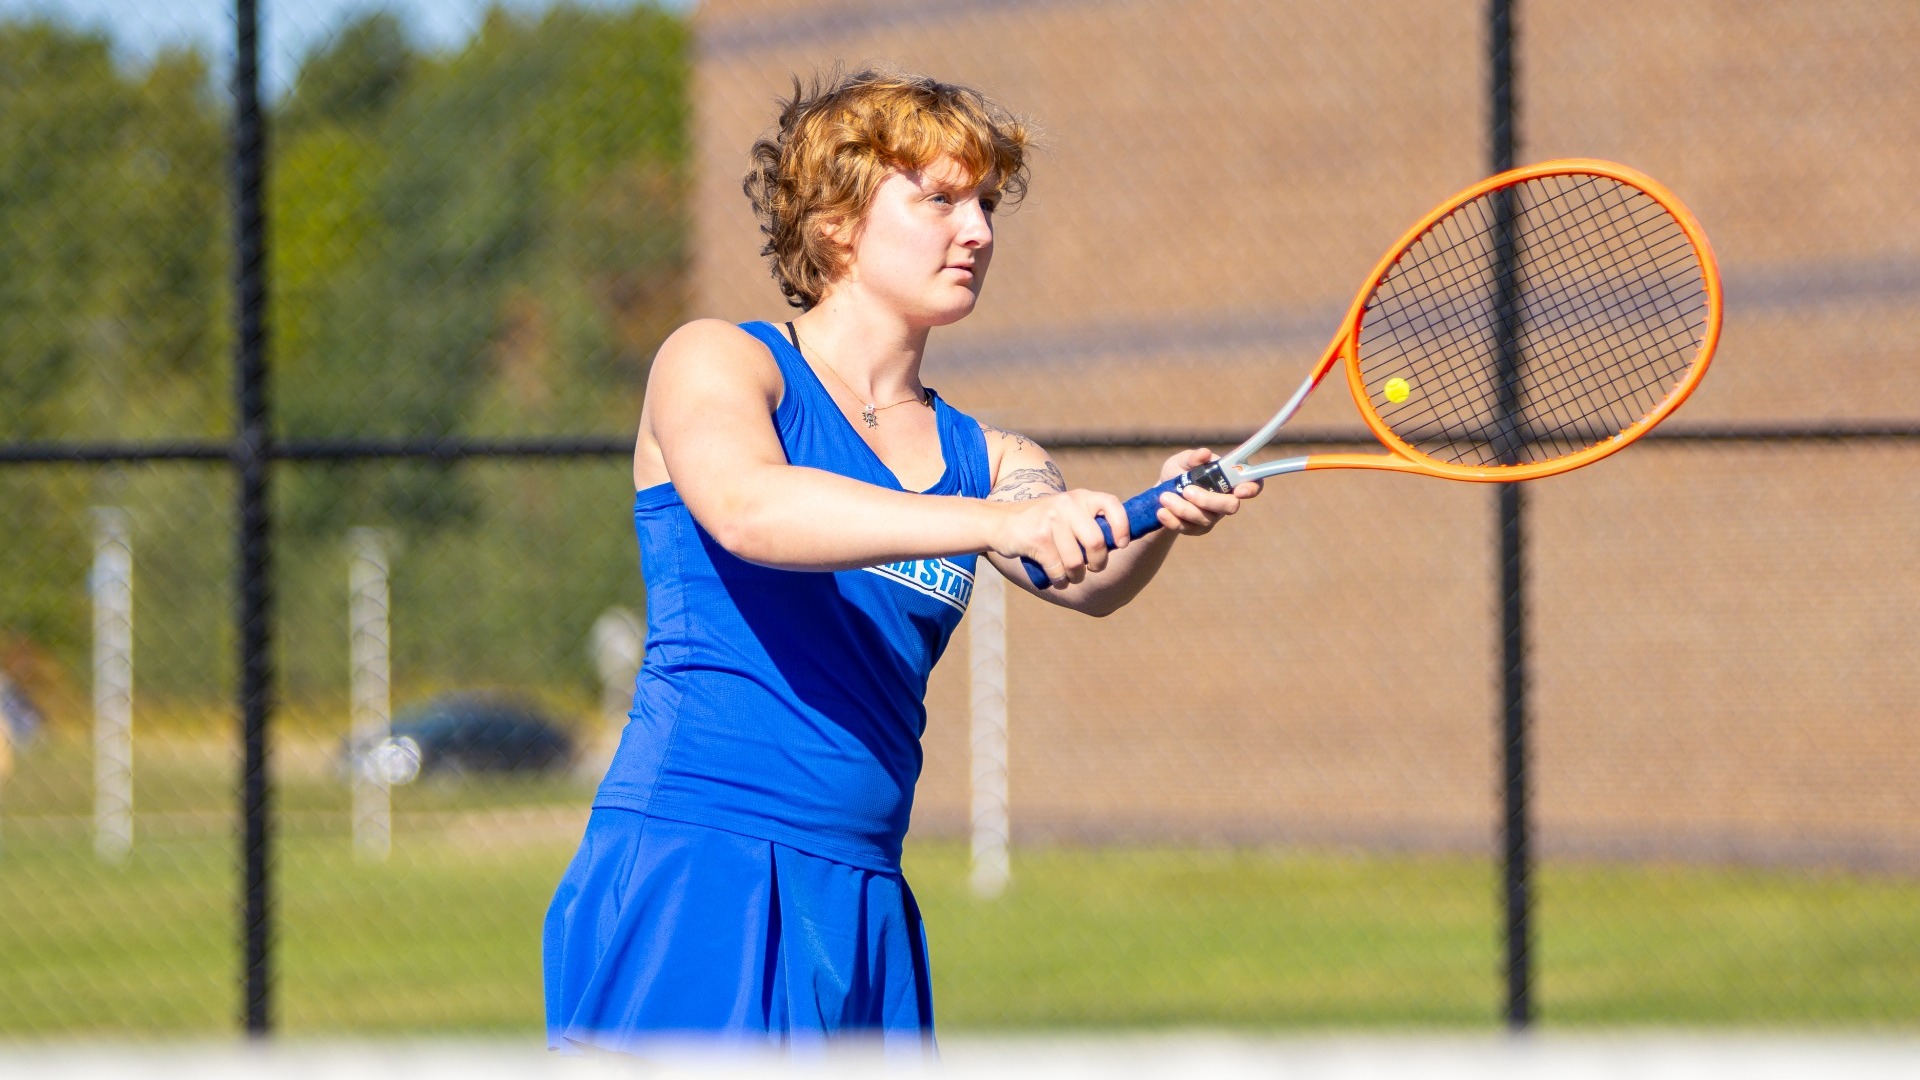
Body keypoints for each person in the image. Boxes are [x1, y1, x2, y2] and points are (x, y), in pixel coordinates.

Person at [542, 67, 1262, 1058]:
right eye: (939, 200)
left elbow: (1076, 574)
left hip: (865, 893)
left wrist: (1157, 523)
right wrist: (992, 525)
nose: (978, 232)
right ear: (836, 222)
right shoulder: (719, 361)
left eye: (985, 203)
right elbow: (751, 508)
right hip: (696, 861)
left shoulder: (992, 459)